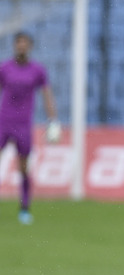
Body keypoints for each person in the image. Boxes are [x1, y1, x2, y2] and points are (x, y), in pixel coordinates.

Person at [0, 32, 58, 224]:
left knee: (23, 167)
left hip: (23, 124)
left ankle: (24, 208)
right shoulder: (5, 68)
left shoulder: (37, 71)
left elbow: (46, 94)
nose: (21, 47)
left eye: (25, 44)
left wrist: (53, 119)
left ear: (30, 47)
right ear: (15, 45)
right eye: (19, 43)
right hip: (3, 121)